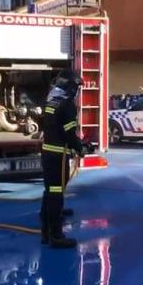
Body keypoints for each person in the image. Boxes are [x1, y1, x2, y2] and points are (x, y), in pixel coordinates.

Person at [40, 69, 87, 248]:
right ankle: (57, 236)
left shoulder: (50, 101)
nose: (76, 91)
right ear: (70, 87)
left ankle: (46, 231)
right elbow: (70, 135)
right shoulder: (67, 105)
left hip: (47, 153)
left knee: (50, 192)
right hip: (58, 156)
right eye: (76, 87)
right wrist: (80, 148)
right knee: (56, 194)